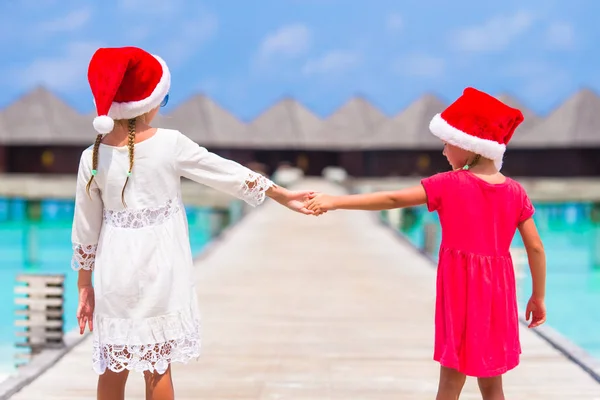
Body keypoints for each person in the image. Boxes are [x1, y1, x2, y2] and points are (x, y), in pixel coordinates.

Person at [71, 46, 314, 400]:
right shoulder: (169, 143)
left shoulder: (90, 155)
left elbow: (85, 229)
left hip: (114, 272)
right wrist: (280, 194)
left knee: (113, 364)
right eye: (163, 98)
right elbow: (224, 173)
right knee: (157, 367)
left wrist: (84, 285)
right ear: (147, 102)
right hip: (160, 268)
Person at [305, 87, 547, 400]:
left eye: (447, 143)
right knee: (492, 383)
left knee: (450, 382)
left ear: (466, 145)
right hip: (498, 293)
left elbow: (392, 198)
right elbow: (536, 248)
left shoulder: (449, 184)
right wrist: (538, 297)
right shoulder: (515, 192)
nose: (444, 152)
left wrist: (335, 201)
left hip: (462, 290)